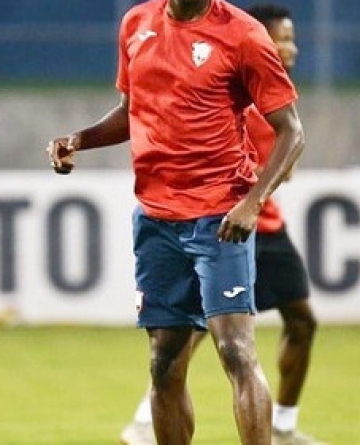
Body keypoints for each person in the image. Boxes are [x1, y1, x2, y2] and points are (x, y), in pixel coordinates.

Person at [47, 1, 306, 444]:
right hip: (157, 220)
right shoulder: (136, 23)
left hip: (218, 216)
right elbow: (132, 109)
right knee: (163, 362)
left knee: (236, 350)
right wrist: (80, 139)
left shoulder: (243, 34)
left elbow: (292, 131)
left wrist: (252, 202)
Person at [119, 4, 326, 445]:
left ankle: (283, 427)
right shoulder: (153, 33)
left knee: (254, 338)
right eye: (282, 39)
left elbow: (290, 143)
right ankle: (143, 420)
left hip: (244, 222)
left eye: (291, 40)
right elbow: (134, 111)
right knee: (176, 350)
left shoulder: (254, 74)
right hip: (199, 220)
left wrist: (252, 198)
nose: (290, 48)